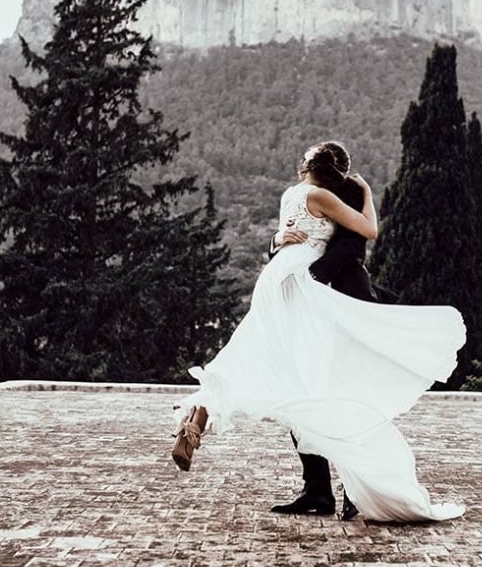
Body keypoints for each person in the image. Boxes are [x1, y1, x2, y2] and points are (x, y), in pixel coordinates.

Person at [171, 142, 466, 523]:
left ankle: (201, 413)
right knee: (310, 384)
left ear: (306, 166)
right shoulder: (324, 197)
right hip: (305, 287)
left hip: (278, 281)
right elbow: (369, 230)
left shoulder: (291, 194)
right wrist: (369, 196)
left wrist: (277, 242)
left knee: (265, 361)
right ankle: (322, 486)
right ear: (338, 172)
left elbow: (291, 238)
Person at [267, 141, 391, 520]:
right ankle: (317, 490)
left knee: (344, 398)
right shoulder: (297, 195)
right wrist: (276, 244)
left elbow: (355, 245)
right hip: (301, 305)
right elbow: (290, 237)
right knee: (298, 395)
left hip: (342, 301)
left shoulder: (348, 193)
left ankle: (358, 487)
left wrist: (313, 279)